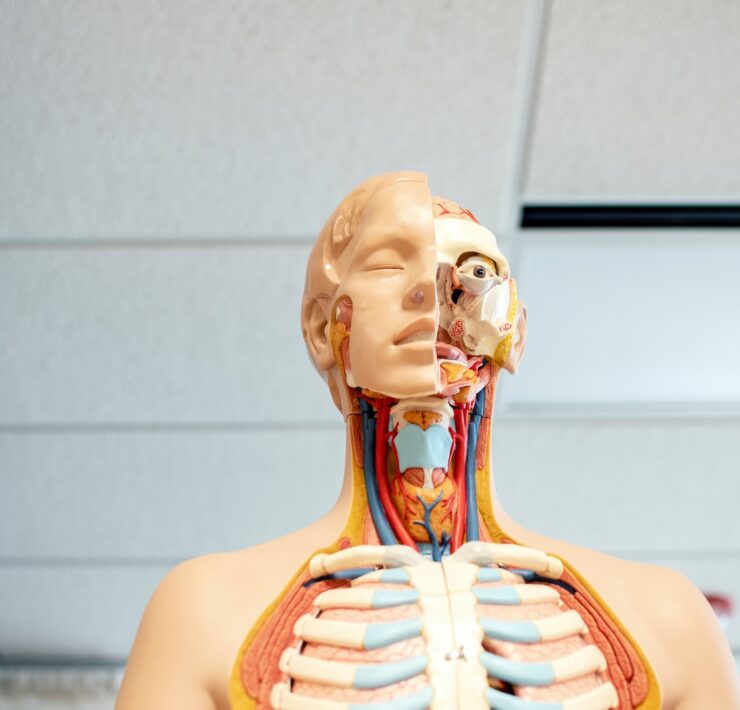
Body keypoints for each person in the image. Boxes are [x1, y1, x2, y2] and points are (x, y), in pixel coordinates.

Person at [116, 172, 739, 710]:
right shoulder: (201, 613)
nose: (439, 292)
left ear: (514, 333)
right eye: (392, 264)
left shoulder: (670, 618)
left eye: (475, 271)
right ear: (322, 327)